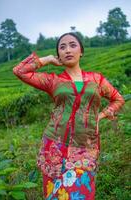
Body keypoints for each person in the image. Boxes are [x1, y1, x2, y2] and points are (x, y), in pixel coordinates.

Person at [13, 32, 125, 200]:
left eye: (73, 45)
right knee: (56, 194)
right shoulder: (53, 81)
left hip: (85, 146)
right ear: (59, 55)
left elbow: (118, 99)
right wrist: (48, 59)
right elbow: (20, 71)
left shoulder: (97, 79)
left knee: (81, 193)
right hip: (55, 145)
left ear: (81, 51)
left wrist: (100, 117)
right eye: (62, 47)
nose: (67, 50)